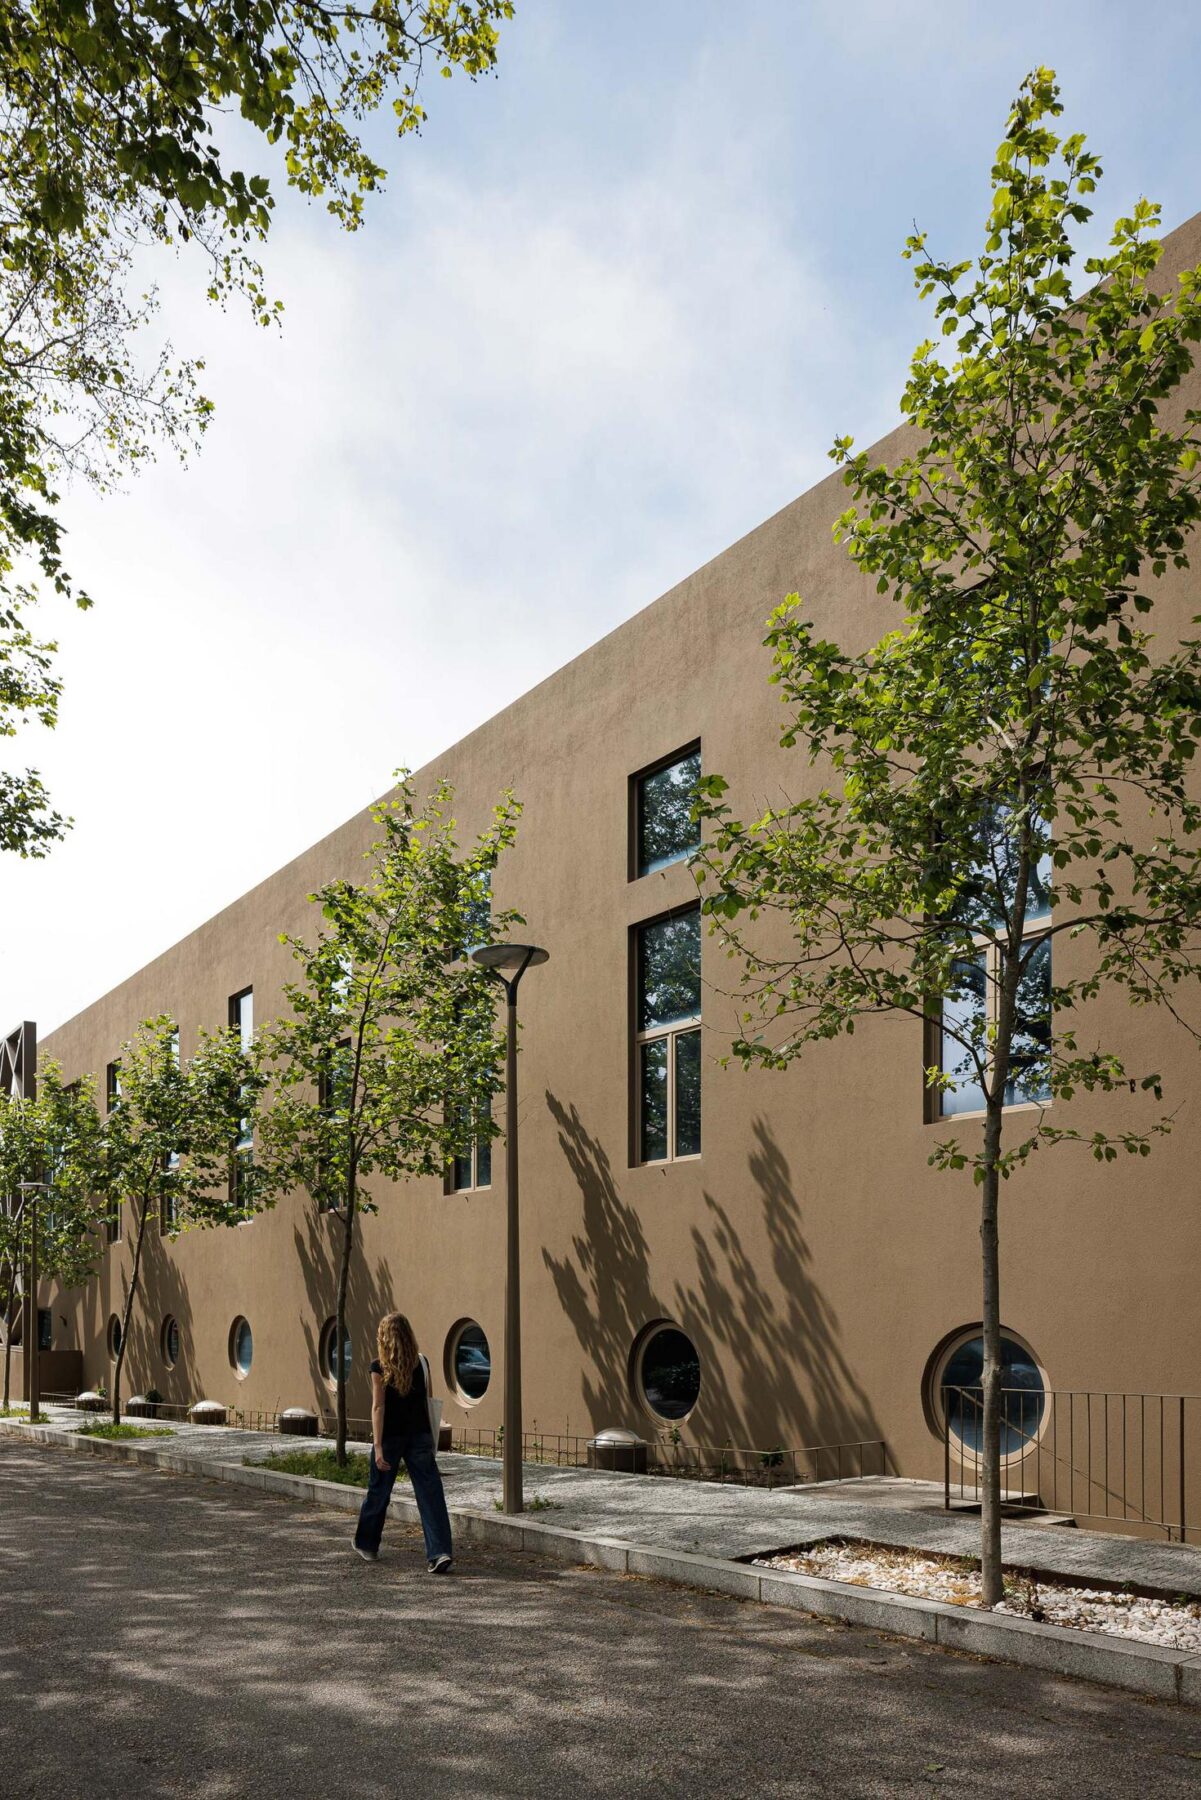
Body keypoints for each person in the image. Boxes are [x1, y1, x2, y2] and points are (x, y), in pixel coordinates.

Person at [353, 1310, 453, 1572]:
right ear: (408, 1335)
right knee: (430, 1494)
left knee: (379, 1491)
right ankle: (439, 1552)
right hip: (420, 1436)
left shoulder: (378, 1367)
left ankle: (367, 1544)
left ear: (383, 1338)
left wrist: (377, 1447)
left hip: (390, 1438)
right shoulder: (422, 1363)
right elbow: (427, 1401)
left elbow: (378, 1408)